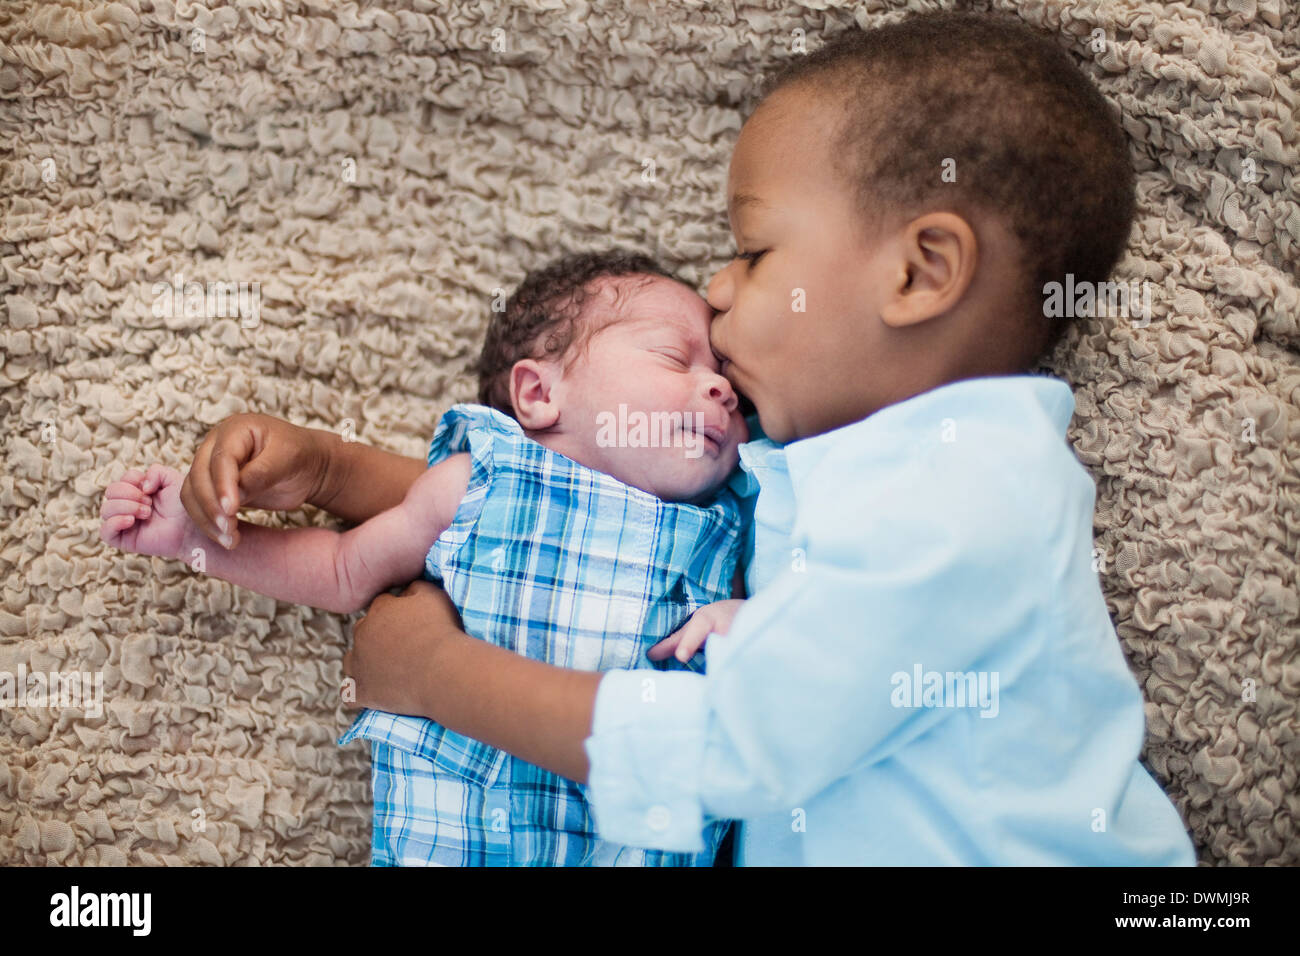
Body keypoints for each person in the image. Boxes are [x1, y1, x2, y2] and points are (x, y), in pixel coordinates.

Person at [179, 11, 1197, 864]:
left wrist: (436, 678)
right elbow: (568, 506)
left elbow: (734, 745)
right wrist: (326, 467)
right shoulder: (825, 469)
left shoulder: (975, 488)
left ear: (918, 272)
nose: (715, 288)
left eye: (753, 252)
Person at [100, 250, 750, 866]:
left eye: (728, 383)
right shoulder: (479, 484)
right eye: (675, 358)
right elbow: (341, 570)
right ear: (538, 394)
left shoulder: (732, 523)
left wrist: (745, 623)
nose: (719, 390)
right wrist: (195, 539)